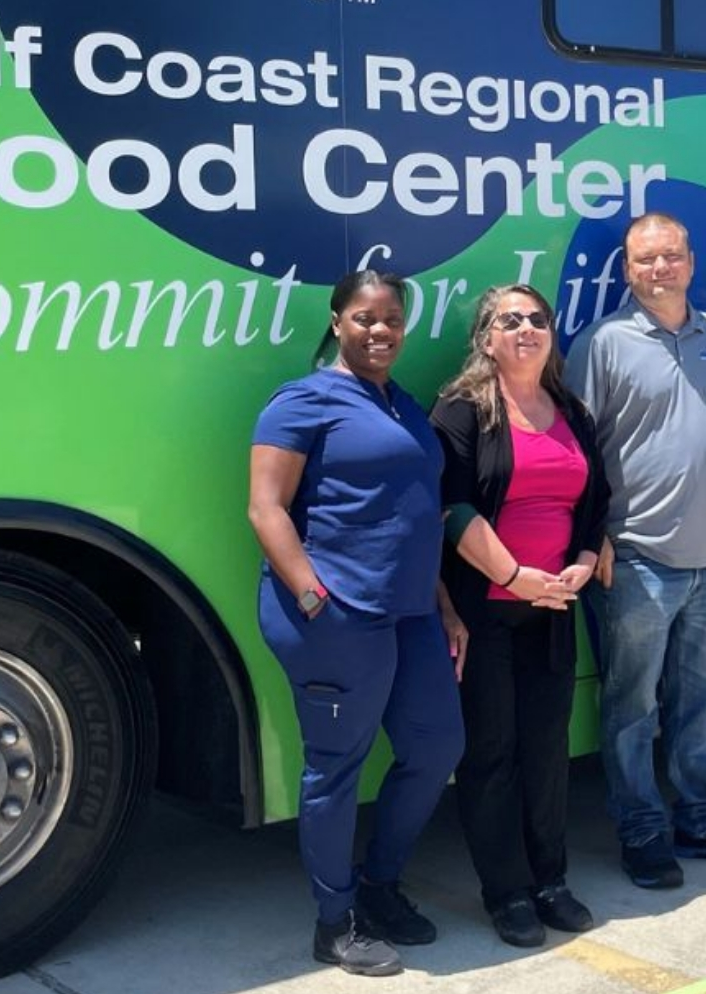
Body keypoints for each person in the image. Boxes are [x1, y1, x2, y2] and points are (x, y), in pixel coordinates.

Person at [248, 270, 467, 978]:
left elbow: (411, 513)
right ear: (338, 320)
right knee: (336, 768)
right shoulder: (303, 400)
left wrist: (441, 598)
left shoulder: (400, 404)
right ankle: (333, 920)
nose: (381, 331)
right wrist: (314, 596)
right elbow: (267, 509)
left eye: (393, 320)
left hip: (410, 611)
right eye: (366, 318)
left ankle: (379, 885)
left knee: (437, 746)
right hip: (336, 614)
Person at [565, 213, 706, 889]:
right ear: (627, 270)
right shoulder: (601, 344)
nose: (660, 268)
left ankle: (701, 818)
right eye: (645, 260)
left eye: (671, 256)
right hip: (636, 560)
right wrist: (594, 536)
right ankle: (642, 829)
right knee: (632, 707)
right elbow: (577, 452)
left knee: (702, 698)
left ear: (691, 261)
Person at [430, 285, 609, 946]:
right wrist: (511, 575)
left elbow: (596, 497)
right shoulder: (461, 411)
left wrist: (587, 558)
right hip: (487, 613)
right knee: (493, 754)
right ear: (488, 339)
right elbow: (451, 510)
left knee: (547, 750)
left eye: (537, 319)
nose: (527, 329)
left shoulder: (570, 409)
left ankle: (550, 880)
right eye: (511, 320)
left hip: (553, 611)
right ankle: (506, 891)